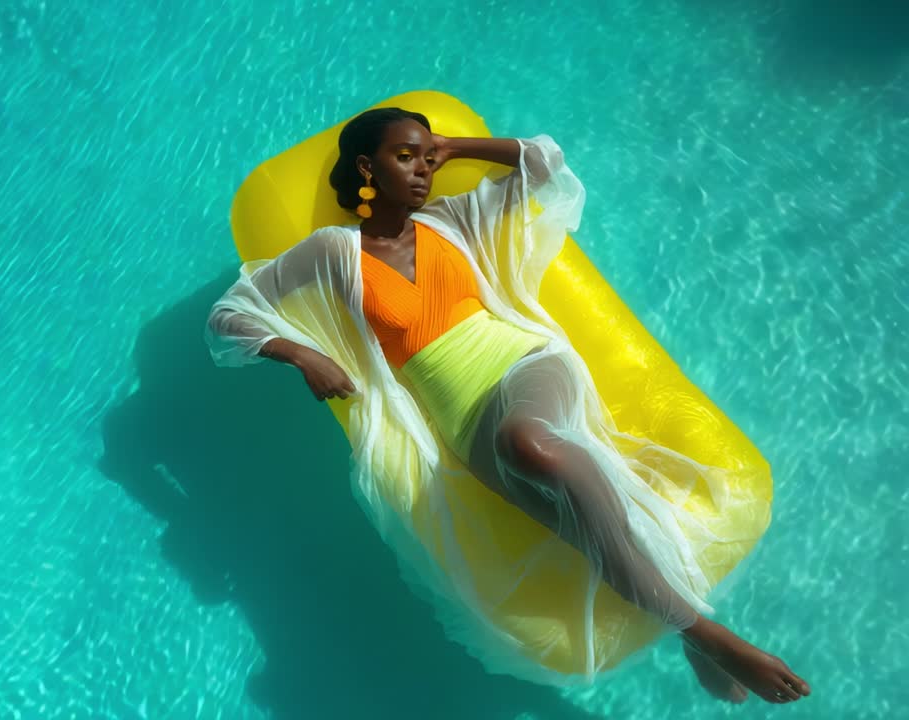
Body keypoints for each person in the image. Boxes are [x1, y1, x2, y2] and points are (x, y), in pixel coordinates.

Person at [205, 107, 810, 704]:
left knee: (529, 444)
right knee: (581, 528)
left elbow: (546, 165)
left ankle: (714, 638)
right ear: (368, 166)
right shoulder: (332, 251)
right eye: (405, 156)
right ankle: (694, 637)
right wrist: (299, 354)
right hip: (462, 421)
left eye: (425, 156)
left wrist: (456, 144)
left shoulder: (451, 219)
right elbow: (227, 315)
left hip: (527, 365)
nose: (422, 169)